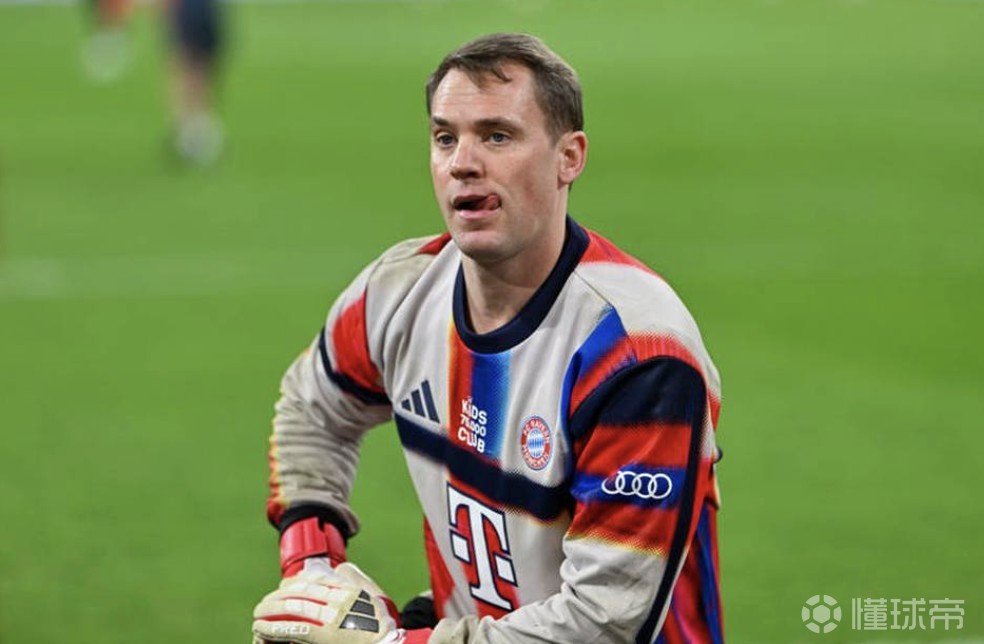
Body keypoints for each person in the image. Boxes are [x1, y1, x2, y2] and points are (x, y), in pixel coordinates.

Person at [252, 32, 724, 644]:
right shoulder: (398, 291)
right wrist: (313, 565)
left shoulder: (636, 355)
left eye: (497, 136)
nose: (462, 163)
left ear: (569, 157)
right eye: (445, 138)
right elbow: (312, 409)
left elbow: (603, 624)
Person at [164, 0, 225, 165]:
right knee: (187, 66)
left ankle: (199, 123)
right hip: (186, 9)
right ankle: (186, 128)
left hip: (206, 9)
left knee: (204, 66)